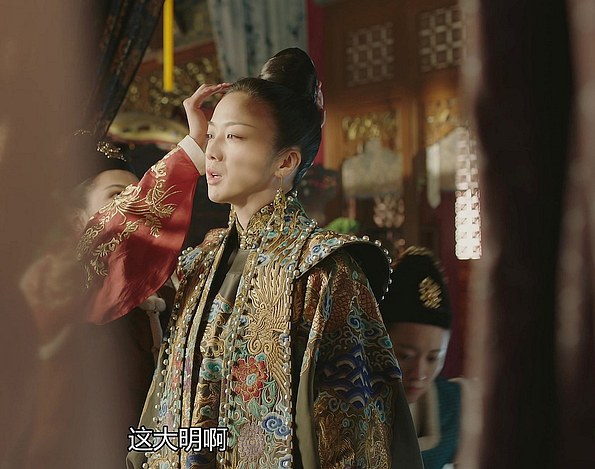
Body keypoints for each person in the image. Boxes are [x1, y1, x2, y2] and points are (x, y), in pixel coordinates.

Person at [79, 48, 422, 468]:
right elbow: (85, 277)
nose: (213, 152)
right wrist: (187, 152)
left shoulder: (324, 272)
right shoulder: (200, 264)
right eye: (211, 135)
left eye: (235, 136)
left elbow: (355, 439)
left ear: (286, 161)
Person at [15, 133, 171, 468]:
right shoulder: (62, 290)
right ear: (76, 220)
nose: (133, 206)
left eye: (138, 196)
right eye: (117, 195)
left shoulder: (164, 291)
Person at [379, 246, 463, 469]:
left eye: (433, 358)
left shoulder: (454, 404)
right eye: (405, 355)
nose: (419, 373)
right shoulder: (348, 407)